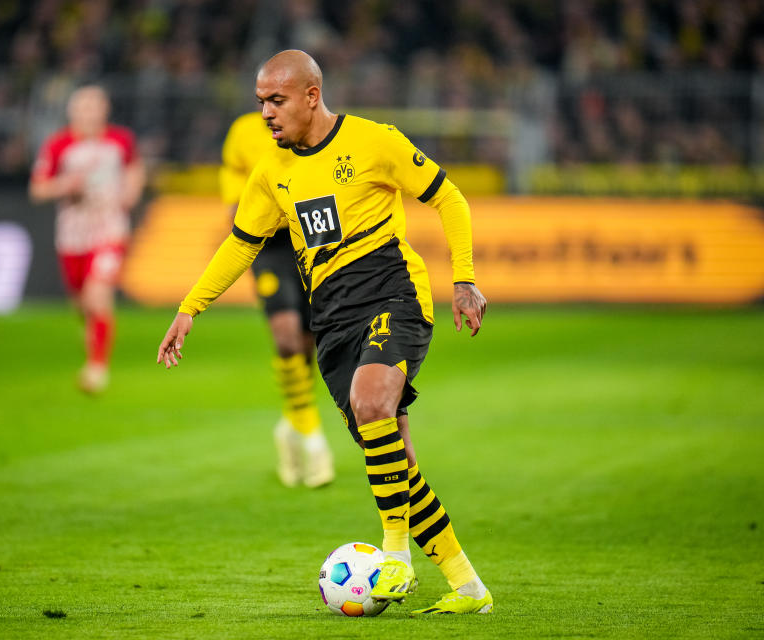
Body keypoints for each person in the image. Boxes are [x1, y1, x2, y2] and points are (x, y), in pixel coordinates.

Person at [157, 50, 491, 614]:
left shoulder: (373, 141)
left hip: (393, 295)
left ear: (312, 96)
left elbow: (448, 197)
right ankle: (469, 588)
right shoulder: (272, 172)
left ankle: (394, 559)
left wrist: (463, 279)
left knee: (370, 401)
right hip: (332, 322)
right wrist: (190, 308)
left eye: (276, 100)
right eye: (260, 101)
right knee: (397, 464)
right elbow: (242, 243)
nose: (265, 112)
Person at [220, 111, 335, 488]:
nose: (271, 105)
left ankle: (291, 424)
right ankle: (314, 437)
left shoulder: (319, 130)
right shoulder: (243, 130)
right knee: (285, 336)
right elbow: (233, 185)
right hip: (269, 244)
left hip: (311, 241)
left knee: (309, 343)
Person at [30, 85, 146, 394]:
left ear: (104, 110)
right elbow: (38, 188)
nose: (89, 114)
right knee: (81, 304)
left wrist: (131, 191)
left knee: (98, 295)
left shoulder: (120, 140)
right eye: (83, 108)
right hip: (72, 236)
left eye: (94, 107)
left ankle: (97, 367)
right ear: (72, 112)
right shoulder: (58, 145)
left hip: (110, 230)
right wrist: (65, 186)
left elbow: (135, 169)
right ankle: (91, 332)